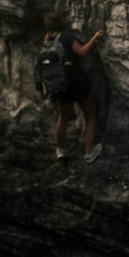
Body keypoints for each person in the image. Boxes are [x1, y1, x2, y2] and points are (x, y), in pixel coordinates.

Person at [37, 13, 106, 162]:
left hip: (60, 87)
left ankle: (60, 151)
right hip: (77, 83)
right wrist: (94, 38)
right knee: (90, 117)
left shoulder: (46, 41)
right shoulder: (65, 37)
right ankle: (89, 153)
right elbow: (82, 52)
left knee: (62, 118)